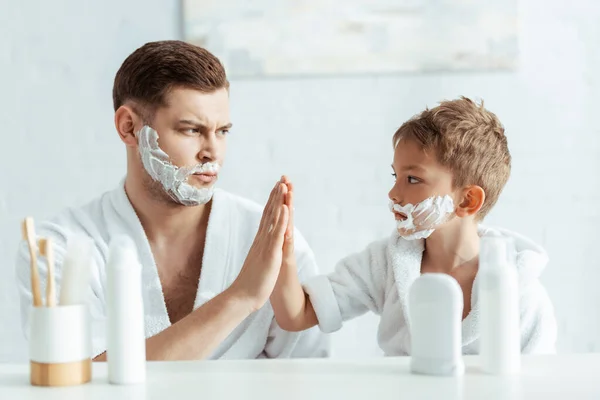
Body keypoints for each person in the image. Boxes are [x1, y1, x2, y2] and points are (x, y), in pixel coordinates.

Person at [15, 40, 328, 360]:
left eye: (222, 131)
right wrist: (241, 297)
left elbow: (309, 375)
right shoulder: (60, 247)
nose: (212, 152)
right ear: (129, 128)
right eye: (191, 130)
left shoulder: (271, 240)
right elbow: (81, 378)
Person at [270, 97, 557, 355]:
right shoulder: (387, 263)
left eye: (412, 179)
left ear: (468, 200)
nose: (393, 193)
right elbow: (296, 315)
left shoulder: (520, 293)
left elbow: (534, 383)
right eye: (395, 176)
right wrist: (283, 251)